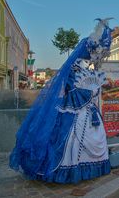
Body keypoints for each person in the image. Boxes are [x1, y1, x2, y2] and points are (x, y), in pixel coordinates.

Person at [9, 20, 112, 183]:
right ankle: (70, 171)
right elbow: (73, 91)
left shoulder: (87, 70)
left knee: (91, 137)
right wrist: (90, 91)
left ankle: (89, 168)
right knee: (69, 140)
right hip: (74, 110)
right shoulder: (73, 69)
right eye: (94, 53)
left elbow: (91, 86)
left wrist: (94, 90)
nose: (94, 57)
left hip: (88, 110)